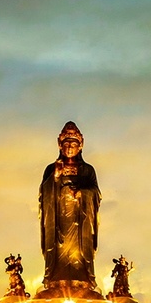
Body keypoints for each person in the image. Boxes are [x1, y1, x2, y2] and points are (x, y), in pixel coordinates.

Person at [38, 121, 101, 288]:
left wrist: (82, 193)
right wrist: (55, 177)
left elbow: (96, 193)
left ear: (80, 146)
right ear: (60, 145)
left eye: (74, 144)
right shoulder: (51, 168)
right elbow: (44, 194)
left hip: (80, 220)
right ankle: (56, 278)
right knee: (59, 250)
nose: (70, 148)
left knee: (79, 251)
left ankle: (82, 278)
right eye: (66, 144)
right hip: (58, 219)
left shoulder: (87, 170)